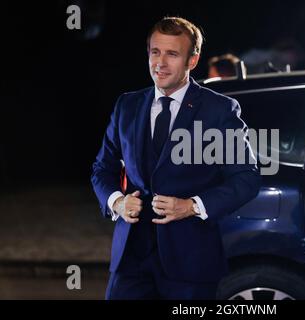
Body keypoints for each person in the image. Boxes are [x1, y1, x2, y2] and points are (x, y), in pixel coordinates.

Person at [91, 16, 261, 300]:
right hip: (131, 259)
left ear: (192, 61)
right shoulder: (127, 105)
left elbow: (246, 177)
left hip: (191, 263)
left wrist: (192, 206)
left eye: (172, 54)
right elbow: (102, 168)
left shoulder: (220, 110)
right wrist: (116, 202)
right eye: (155, 52)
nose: (160, 62)